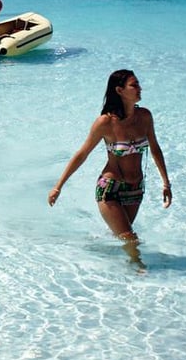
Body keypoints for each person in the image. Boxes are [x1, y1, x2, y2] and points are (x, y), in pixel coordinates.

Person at [47, 69, 172, 265]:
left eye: (138, 84)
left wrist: (166, 183)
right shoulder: (105, 122)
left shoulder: (145, 116)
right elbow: (82, 154)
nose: (140, 88)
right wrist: (58, 186)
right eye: (134, 85)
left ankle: (98, 251)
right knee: (130, 239)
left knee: (122, 234)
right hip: (110, 188)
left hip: (135, 189)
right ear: (119, 90)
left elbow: (155, 149)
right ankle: (139, 268)